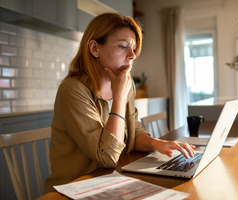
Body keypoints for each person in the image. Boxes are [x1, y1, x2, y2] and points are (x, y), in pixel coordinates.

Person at [44, 13, 195, 193]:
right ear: (94, 48)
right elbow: (107, 157)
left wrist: (156, 144)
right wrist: (119, 97)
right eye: (123, 46)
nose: (132, 56)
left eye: (133, 48)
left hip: (109, 181)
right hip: (73, 189)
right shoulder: (73, 90)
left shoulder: (125, 83)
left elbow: (133, 132)